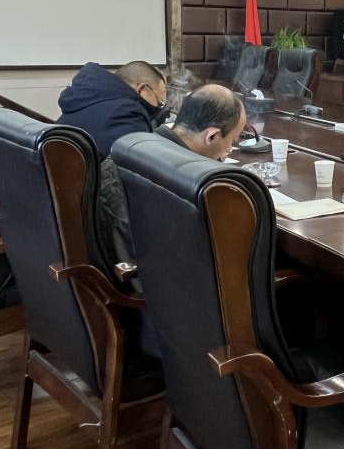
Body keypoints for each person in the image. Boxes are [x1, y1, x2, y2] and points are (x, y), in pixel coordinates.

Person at [97, 85, 245, 355]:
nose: (228, 152)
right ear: (212, 135)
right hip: (158, 318)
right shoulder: (176, 179)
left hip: (115, 293)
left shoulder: (139, 146)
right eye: (231, 141)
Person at [57, 61, 169, 159]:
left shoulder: (85, 98)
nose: (158, 108)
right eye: (159, 102)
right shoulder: (127, 112)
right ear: (142, 89)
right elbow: (146, 164)